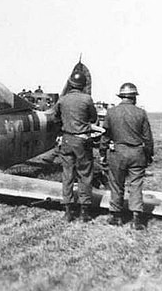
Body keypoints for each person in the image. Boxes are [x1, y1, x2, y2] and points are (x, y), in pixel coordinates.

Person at [101, 83, 153, 230]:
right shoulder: (141, 113)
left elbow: (105, 136)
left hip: (117, 152)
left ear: (121, 97)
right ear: (134, 97)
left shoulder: (111, 112)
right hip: (137, 153)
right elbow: (148, 138)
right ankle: (136, 219)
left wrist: (102, 153)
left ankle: (116, 216)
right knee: (136, 185)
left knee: (116, 184)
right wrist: (148, 155)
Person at [54, 70, 97, 222]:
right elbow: (94, 117)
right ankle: (84, 211)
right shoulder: (87, 99)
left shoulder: (63, 100)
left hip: (66, 140)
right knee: (85, 174)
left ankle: (68, 211)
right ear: (83, 85)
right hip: (82, 140)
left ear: (71, 84)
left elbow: (55, 117)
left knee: (67, 174)